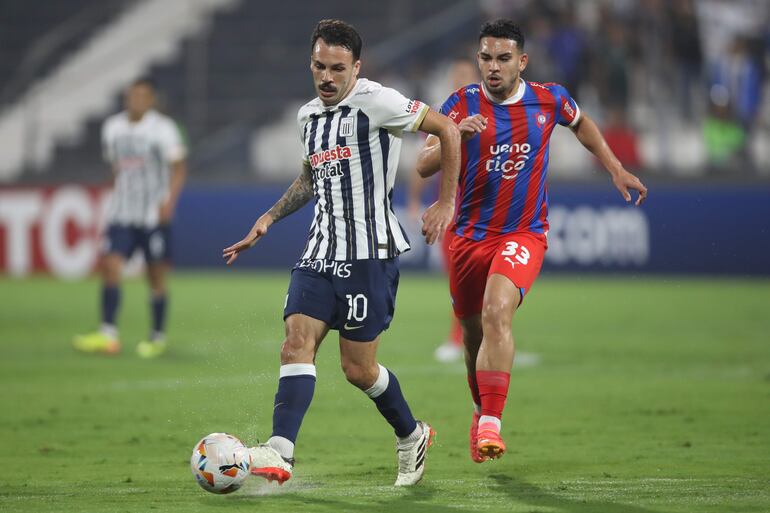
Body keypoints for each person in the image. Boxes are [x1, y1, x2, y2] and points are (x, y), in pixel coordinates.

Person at [222, 19, 460, 486]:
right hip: (320, 250)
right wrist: (269, 218)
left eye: (336, 68)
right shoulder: (307, 116)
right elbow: (312, 177)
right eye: (318, 66)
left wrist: (446, 201)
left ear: (356, 67)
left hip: (370, 255)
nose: (326, 77)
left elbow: (447, 130)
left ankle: (412, 435)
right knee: (295, 342)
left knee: (358, 369)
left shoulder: (379, 102)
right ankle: (280, 452)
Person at [416, 19, 647, 463]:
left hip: (523, 232)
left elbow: (581, 124)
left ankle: (492, 424)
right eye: (486, 57)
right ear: (478, 58)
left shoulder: (549, 98)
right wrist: (456, 136)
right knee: (470, 338)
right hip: (468, 238)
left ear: (522, 61)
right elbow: (425, 163)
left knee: (497, 311)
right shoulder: (459, 104)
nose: (493, 67)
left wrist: (615, 168)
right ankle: (480, 410)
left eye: (503, 58)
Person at [73, 78, 187, 358]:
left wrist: (168, 203)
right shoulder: (112, 128)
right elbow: (116, 167)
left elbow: (179, 167)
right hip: (122, 213)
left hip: (152, 215)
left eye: (142, 96)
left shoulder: (163, 129)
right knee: (111, 266)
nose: (137, 100)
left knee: (155, 275)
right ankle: (108, 334)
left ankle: (157, 337)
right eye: (132, 96)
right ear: (126, 98)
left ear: (150, 100)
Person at [408, 57, 478, 363]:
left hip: (485, 209)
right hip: (452, 212)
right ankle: (457, 338)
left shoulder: (493, 112)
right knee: (459, 278)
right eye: (457, 75)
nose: (461, 79)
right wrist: (413, 200)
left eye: (466, 74)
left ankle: (490, 338)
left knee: (492, 280)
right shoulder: (444, 116)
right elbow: (422, 163)